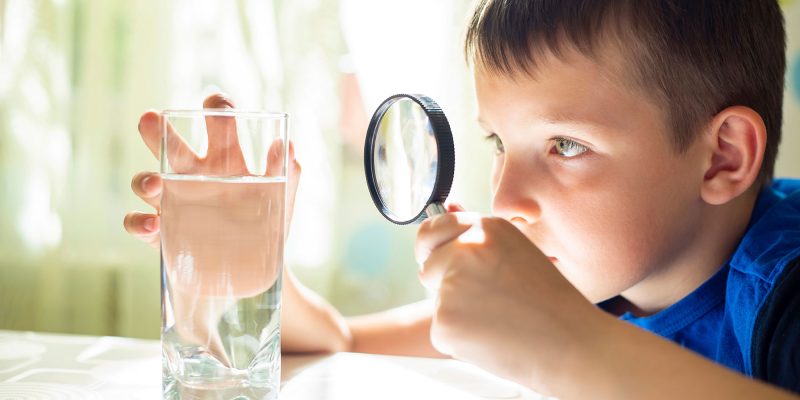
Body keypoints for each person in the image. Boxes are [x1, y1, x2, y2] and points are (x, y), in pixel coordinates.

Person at [124, 1, 800, 398]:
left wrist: (565, 345)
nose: (505, 198)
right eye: (499, 144)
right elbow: (344, 340)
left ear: (724, 156)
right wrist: (255, 281)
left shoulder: (785, 287)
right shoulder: (605, 281)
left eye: (565, 146)